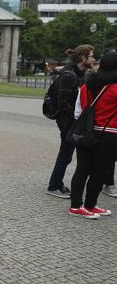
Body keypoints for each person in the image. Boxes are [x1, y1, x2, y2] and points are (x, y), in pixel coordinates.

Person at [68, 51, 117, 218]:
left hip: (85, 132)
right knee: (100, 171)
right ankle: (90, 204)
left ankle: (75, 205)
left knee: (82, 169)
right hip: (109, 133)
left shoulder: (85, 86)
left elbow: (77, 113)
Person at [46, 45, 94, 198]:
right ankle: (54, 186)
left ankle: (57, 183)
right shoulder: (69, 75)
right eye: (91, 56)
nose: (93, 59)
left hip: (72, 120)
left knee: (66, 153)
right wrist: (76, 120)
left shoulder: (79, 73)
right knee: (65, 153)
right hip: (67, 121)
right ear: (83, 58)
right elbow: (63, 103)